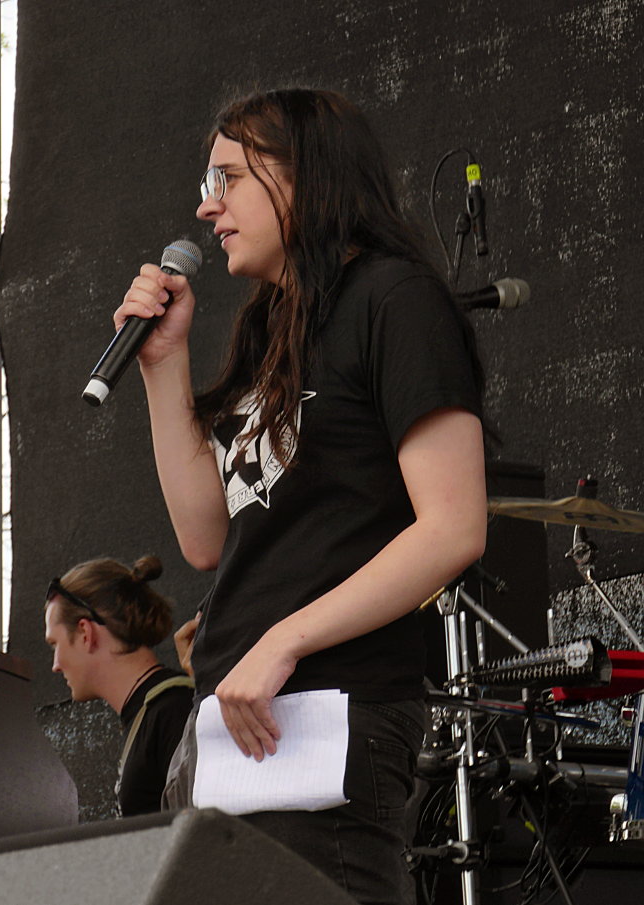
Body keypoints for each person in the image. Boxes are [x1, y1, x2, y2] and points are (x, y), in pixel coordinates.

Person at [115, 88, 487, 904]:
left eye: (227, 179)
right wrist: (162, 366)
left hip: (327, 713)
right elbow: (206, 536)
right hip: (234, 724)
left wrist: (285, 639)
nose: (207, 208)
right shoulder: (271, 329)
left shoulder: (394, 300)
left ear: (304, 176)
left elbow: (454, 526)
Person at [44, 554, 194, 816]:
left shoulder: (173, 710)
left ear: (84, 633)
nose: (55, 665)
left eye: (55, 644)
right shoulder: (157, 711)